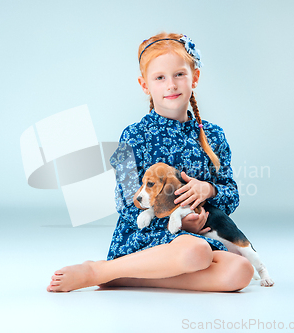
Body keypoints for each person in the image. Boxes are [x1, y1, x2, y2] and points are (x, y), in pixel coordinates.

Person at [47, 32, 254, 293]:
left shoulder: (213, 135)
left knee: (241, 271)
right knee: (196, 251)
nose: (172, 85)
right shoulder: (134, 135)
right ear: (145, 85)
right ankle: (98, 270)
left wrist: (209, 190)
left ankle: (128, 276)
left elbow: (231, 195)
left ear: (195, 78)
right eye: (160, 78)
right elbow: (126, 202)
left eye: (180, 74)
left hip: (200, 233)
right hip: (149, 233)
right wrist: (172, 219)